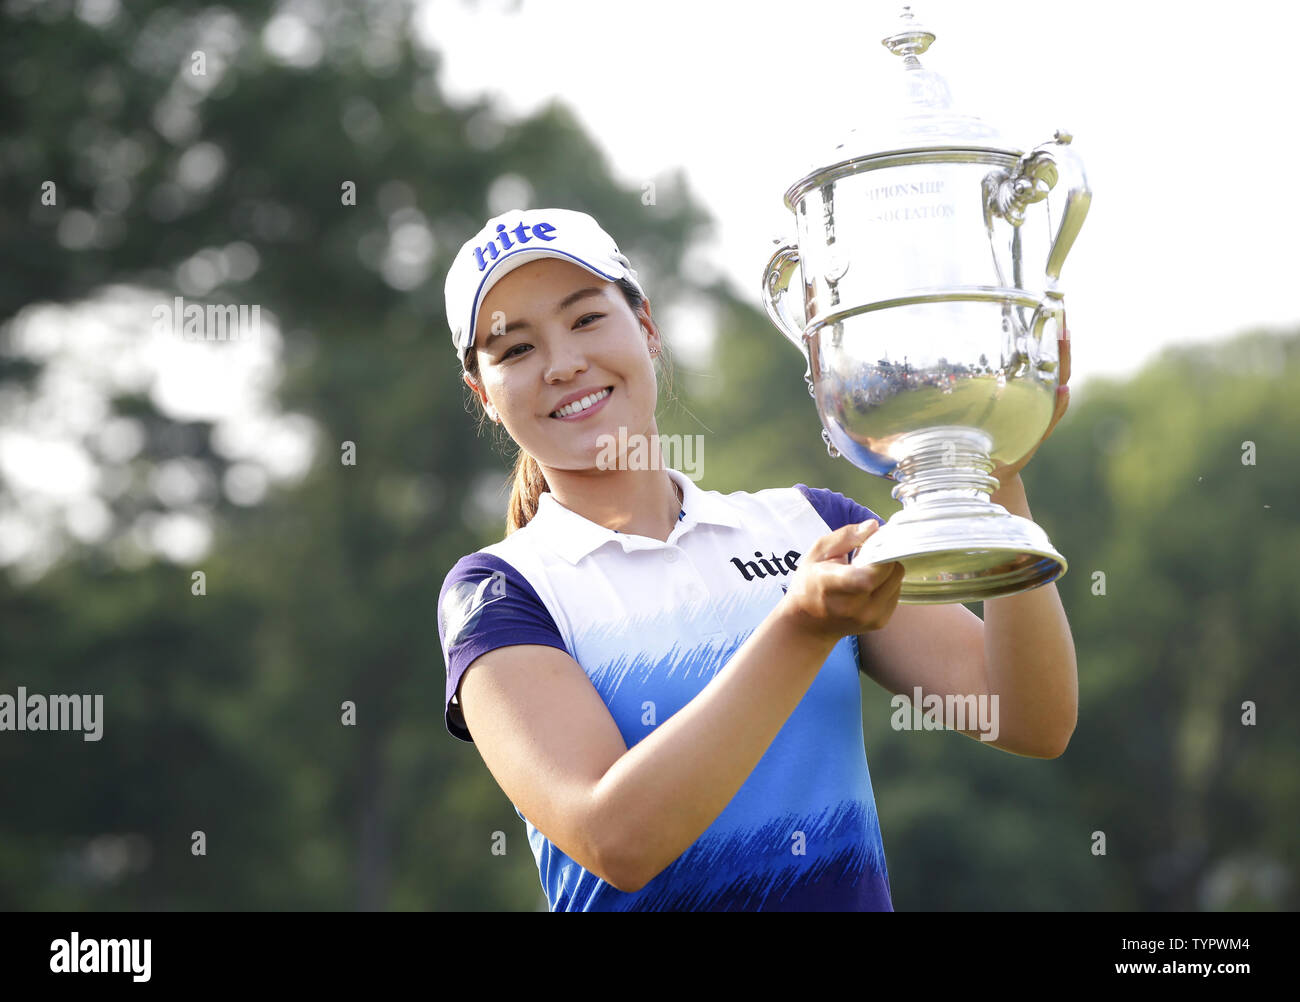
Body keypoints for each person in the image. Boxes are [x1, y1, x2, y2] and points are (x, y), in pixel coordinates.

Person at [437, 207, 1078, 911]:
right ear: (483, 395)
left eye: (586, 318)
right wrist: (799, 629)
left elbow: (1028, 717)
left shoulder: (809, 524)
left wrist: (999, 477)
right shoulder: (498, 593)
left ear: (646, 327)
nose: (563, 364)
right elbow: (617, 840)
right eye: (515, 349)